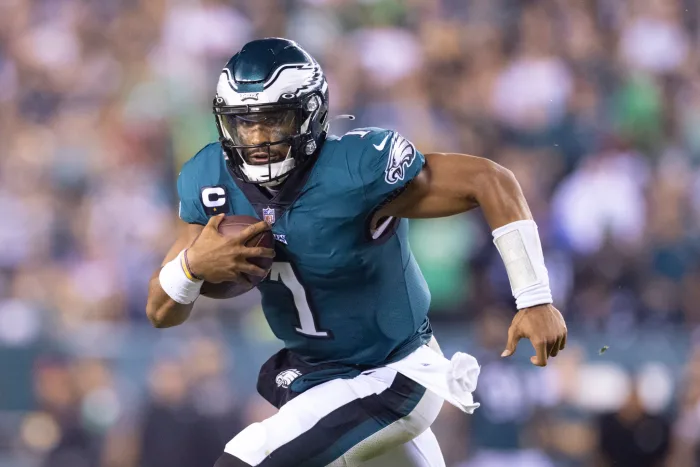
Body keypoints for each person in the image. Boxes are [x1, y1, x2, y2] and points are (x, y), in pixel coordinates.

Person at [145, 38, 567, 467]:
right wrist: (191, 267)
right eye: (244, 123)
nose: (256, 139)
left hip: (391, 373)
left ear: (309, 115)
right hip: (318, 378)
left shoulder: (355, 169)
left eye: (272, 121)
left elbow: (489, 179)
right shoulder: (211, 181)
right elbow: (161, 311)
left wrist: (534, 297)